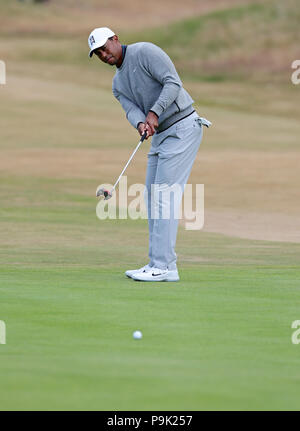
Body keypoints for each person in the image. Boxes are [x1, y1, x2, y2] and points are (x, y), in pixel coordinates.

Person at [88, 27, 211, 282]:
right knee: (152, 196)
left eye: (104, 47)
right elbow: (130, 109)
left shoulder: (144, 52)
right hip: (160, 134)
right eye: (97, 53)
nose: (103, 54)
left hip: (183, 127)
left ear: (115, 39)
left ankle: (165, 266)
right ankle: (158, 263)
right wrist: (140, 123)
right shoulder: (117, 84)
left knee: (164, 195)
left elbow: (173, 83)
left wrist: (153, 113)